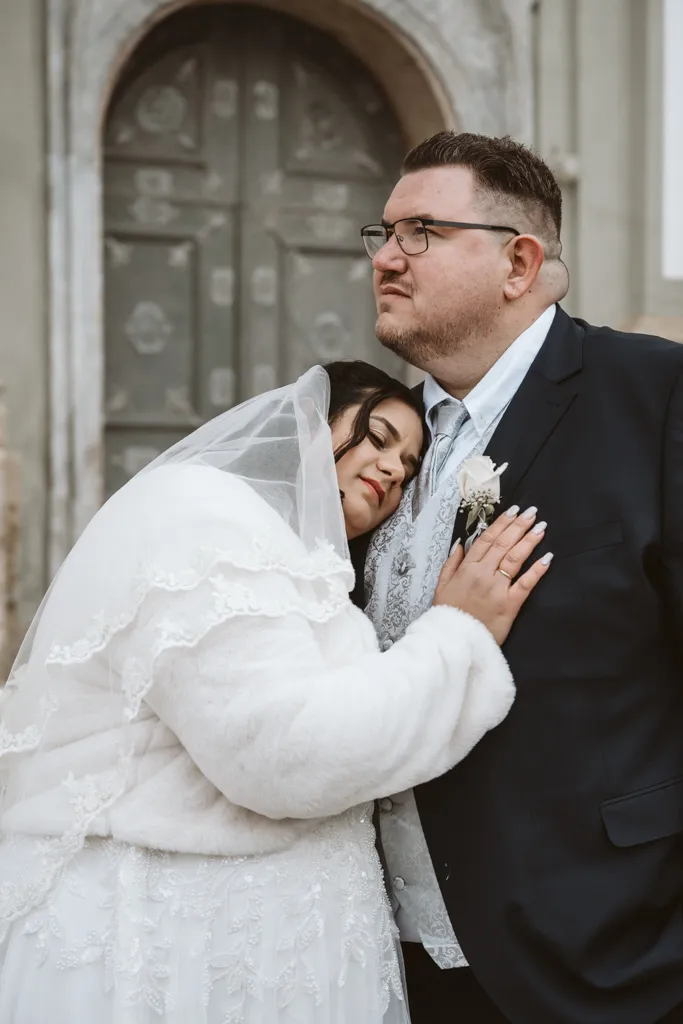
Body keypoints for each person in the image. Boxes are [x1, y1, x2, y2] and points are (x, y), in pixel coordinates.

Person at [0, 359, 549, 1024]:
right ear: (309, 421)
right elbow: (282, 751)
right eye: (377, 437)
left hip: (263, 954)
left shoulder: (287, 553)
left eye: (407, 470)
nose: (391, 471)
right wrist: (459, 634)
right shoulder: (205, 517)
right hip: (170, 952)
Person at [355, 130, 683, 1024]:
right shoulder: (378, 438)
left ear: (518, 262)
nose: (385, 258)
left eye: (421, 232)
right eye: (382, 234)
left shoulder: (655, 395)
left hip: (608, 956)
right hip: (390, 964)